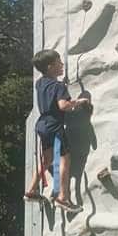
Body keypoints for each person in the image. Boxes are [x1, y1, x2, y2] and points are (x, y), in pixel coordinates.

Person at [24, 49, 89, 213]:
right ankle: (63, 197)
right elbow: (63, 106)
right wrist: (78, 102)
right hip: (54, 126)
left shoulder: (40, 83)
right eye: (59, 62)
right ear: (50, 66)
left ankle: (31, 191)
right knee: (65, 160)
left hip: (42, 124)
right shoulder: (59, 86)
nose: (62, 65)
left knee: (47, 160)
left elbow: (50, 92)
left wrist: (62, 86)